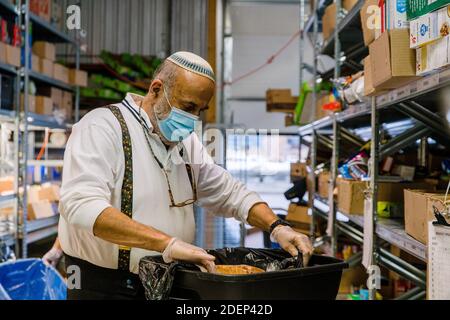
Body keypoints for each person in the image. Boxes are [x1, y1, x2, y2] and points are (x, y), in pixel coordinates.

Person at [56, 51, 313, 300]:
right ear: (156, 89)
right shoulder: (102, 127)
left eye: (200, 110)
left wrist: (277, 227)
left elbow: (229, 193)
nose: (192, 120)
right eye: (188, 106)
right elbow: (82, 206)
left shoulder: (186, 143)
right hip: (106, 287)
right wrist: (166, 244)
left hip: (165, 282)